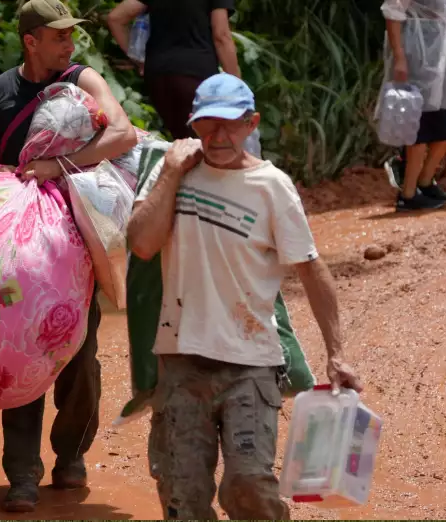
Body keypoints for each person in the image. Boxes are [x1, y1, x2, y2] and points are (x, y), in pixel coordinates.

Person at [126, 73, 364, 520]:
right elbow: (141, 244)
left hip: (251, 363)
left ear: (251, 123)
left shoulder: (272, 186)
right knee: (182, 495)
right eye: (207, 124)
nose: (219, 136)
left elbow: (311, 270)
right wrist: (172, 172)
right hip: (180, 361)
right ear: (193, 124)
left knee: (249, 484)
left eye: (231, 124)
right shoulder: (171, 172)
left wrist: (336, 353)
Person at [0, 0, 138, 512]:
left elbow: (124, 134)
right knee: (20, 349)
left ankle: (71, 453)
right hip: (17, 247)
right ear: (31, 41)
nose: (70, 44)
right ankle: (22, 474)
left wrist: (57, 165)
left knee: (79, 352)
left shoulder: (82, 79)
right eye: (59, 36)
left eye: (71, 35)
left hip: (74, 239)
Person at [379, 0, 446, 212]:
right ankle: (408, 194)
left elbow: (441, 15)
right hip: (416, 56)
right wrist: (399, 58)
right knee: (419, 129)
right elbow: (392, 11)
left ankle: (425, 183)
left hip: (437, 58)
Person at [106, 0, 239, 140]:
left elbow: (116, 18)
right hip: (196, 75)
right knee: (207, 141)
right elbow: (221, 36)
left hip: (158, 77)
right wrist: (237, 86)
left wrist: (139, 60)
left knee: (183, 140)